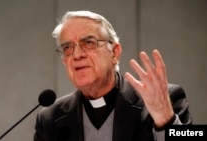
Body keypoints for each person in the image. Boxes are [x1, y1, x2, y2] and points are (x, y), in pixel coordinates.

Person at [34, 10, 192, 141]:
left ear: (115, 53)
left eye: (88, 43)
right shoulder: (49, 118)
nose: (77, 55)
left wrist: (166, 121)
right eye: (67, 47)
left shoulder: (166, 99)